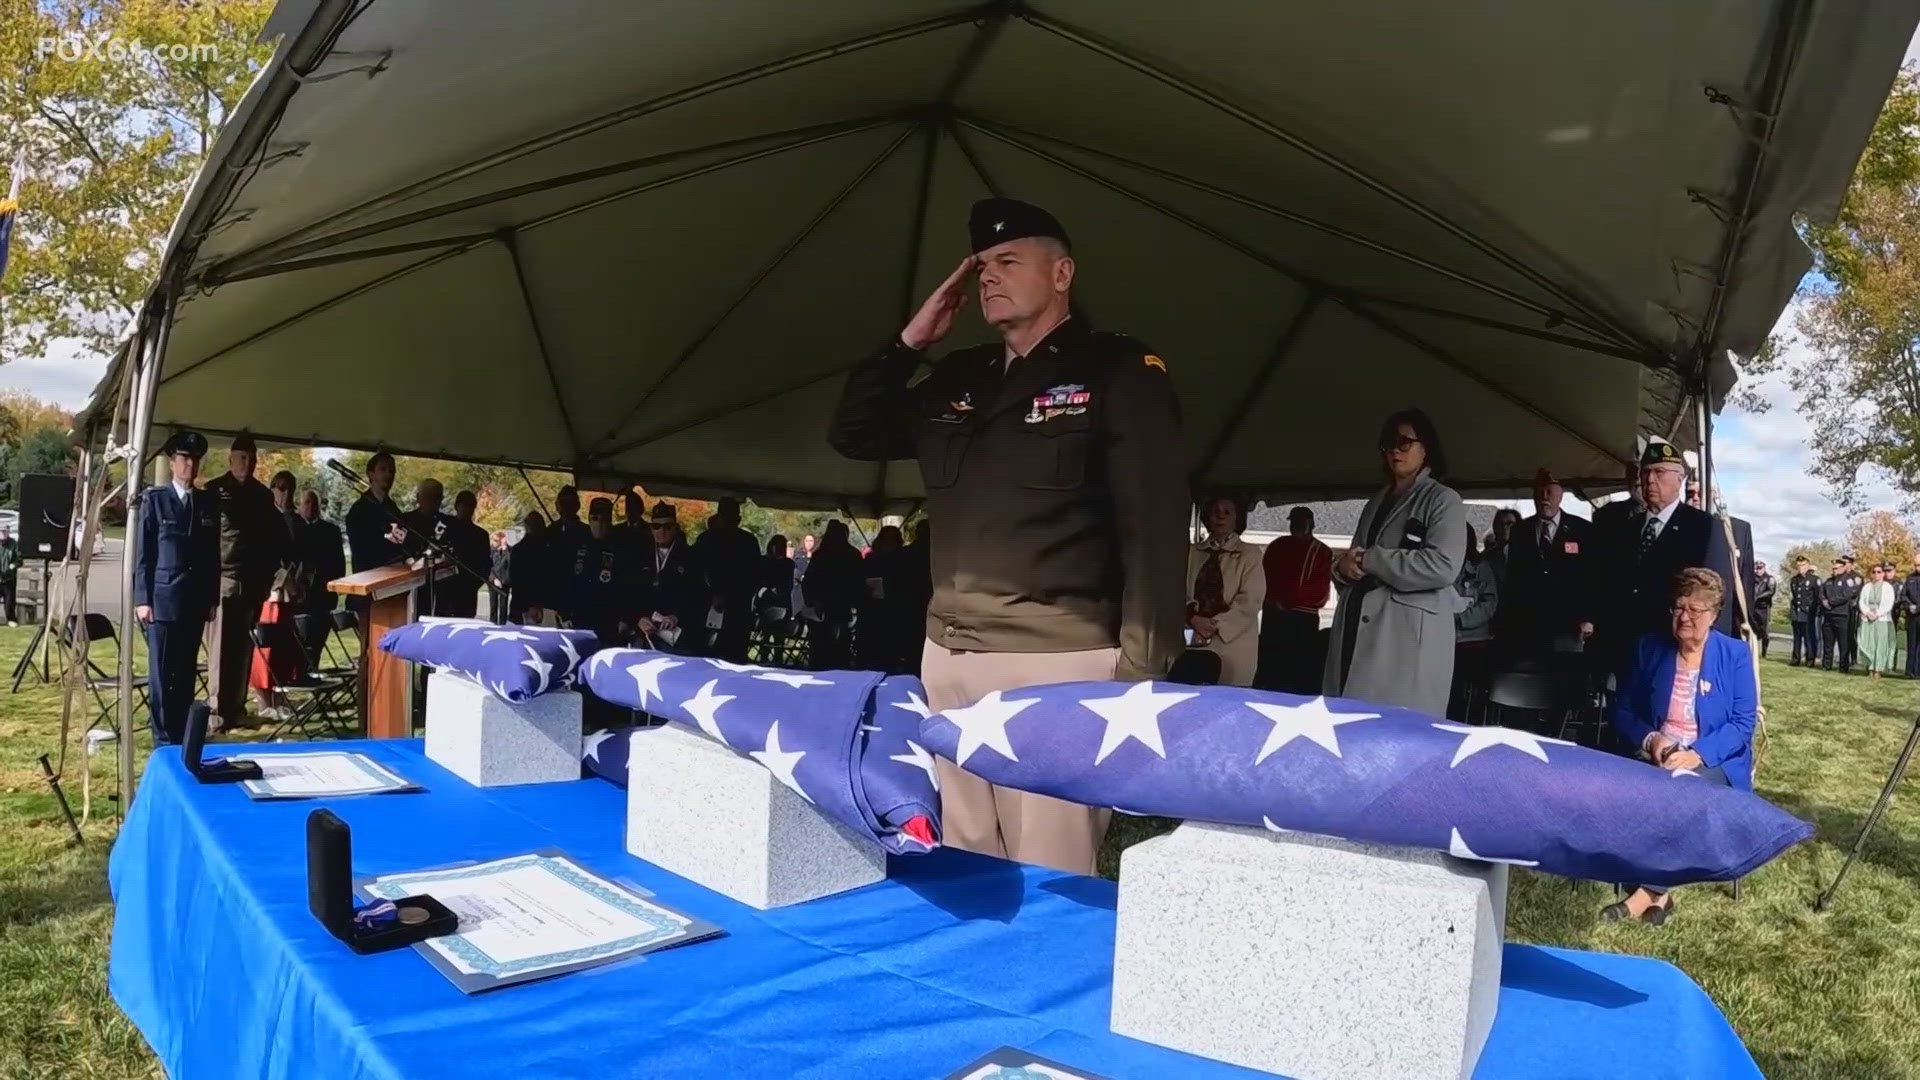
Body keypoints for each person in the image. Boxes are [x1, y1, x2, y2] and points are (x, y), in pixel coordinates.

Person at [829, 197, 1187, 874]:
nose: (988, 276)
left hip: (1057, 661)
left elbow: (1157, 528)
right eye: (982, 266)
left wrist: (1138, 674)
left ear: (1061, 275)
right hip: (949, 655)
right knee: (965, 864)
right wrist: (910, 344)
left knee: (1049, 871)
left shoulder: (1118, 372)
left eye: (1008, 261)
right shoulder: (959, 377)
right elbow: (855, 433)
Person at [1604, 567, 1757, 926]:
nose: (1684, 617)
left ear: (1714, 614)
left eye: (1695, 610)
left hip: (1715, 760)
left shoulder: (1734, 654)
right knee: (1637, 785)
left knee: (1681, 790)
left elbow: (1742, 724)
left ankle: (1646, 893)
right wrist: (1652, 739)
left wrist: (1699, 754)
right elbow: (1623, 711)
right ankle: (1662, 897)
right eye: (1678, 608)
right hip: (1658, 752)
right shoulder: (1650, 648)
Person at [1324, 408, 1466, 718]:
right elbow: (1354, 557)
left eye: (1404, 442)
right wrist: (1342, 569)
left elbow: (1443, 565)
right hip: (1357, 630)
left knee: (1397, 733)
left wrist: (1373, 559)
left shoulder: (1444, 500)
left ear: (1425, 447)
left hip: (1407, 641)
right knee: (1349, 724)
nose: (1394, 451)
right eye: (1388, 444)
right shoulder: (1376, 501)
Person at [1589, 437, 1711, 681]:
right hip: (1622, 650)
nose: (1650, 480)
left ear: (1680, 478)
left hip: (1669, 648)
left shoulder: (1702, 528)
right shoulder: (1625, 528)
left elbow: (1707, 592)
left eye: (1659, 472)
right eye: (1645, 473)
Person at [134, 431, 219, 745]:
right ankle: (162, 736)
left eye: (194, 459)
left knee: (185, 671)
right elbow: (144, 554)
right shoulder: (156, 501)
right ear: (172, 463)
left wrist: (211, 599)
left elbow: (212, 556)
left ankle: (183, 733)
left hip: (194, 601)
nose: (190, 465)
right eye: (184, 458)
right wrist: (142, 598)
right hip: (164, 599)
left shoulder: (206, 502)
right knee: (162, 673)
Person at [202, 433, 284, 729]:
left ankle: (236, 708)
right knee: (220, 650)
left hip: (251, 583)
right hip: (222, 580)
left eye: (251, 458)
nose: (246, 464)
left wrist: (267, 580)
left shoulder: (262, 496)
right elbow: (204, 541)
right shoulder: (213, 492)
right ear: (231, 459)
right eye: (241, 457)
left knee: (242, 650)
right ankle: (216, 711)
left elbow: (274, 541)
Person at [1497, 468, 1592, 661]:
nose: (1544, 497)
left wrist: (1588, 616)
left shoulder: (1582, 530)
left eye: (1549, 491)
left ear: (1561, 494)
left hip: (1569, 623)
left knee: (1565, 679)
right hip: (1530, 623)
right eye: (1539, 492)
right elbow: (1514, 577)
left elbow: (1592, 577)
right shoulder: (1521, 530)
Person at [1186, 495, 1266, 687]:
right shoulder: (1191, 553)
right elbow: (1179, 590)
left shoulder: (1250, 554)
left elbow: (1251, 599)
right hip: (1193, 637)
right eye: (1216, 512)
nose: (1220, 517)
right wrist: (1194, 619)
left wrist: (1215, 626)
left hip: (1234, 642)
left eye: (1227, 512)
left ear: (1237, 518)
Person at [1256, 506, 1332, 694]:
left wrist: (1289, 601)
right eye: (1294, 521)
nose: (1297, 526)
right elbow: (1263, 578)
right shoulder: (1277, 545)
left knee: (1298, 672)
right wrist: (1273, 601)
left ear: (1312, 523)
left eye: (1302, 521)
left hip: (1301, 618)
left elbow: (1320, 591)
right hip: (1273, 615)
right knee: (1270, 671)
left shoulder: (1321, 551)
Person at [692, 496, 763, 664]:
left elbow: (754, 576)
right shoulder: (706, 541)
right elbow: (694, 574)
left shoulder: (747, 542)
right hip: (707, 608)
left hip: (737, 609)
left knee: (732, 656)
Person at [637, 502, 706, 651]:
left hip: (677, 635)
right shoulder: (640, 555)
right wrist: (639, 617)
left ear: (675, 527)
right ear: (651, 528)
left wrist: (676, 616)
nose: (662, 531)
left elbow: (699, 596)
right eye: (656, 526)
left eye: (667, 526)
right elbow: (630, 592)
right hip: (644, 632)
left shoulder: (690, 557)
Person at [1448, 528, 1500, 721]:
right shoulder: (1440, 564)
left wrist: (1461, 619)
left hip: (1473, 642)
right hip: (1441, 641)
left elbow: (1490, 604)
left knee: (1470, 694)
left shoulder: (1481, 567)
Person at [800, 520, 865, 668]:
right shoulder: (852, 555)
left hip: (822, 608)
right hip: (841, 607)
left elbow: (808, 582)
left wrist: (812, 601)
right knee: (839, 649)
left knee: (820, 650)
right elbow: (859, 582)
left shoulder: (820, 555)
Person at [248, 567, 309, 719]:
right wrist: (279, 581)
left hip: (288, 587)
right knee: (265, 649)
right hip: (272, 589)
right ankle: (265, 704)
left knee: (283, 649)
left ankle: (279, 700)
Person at [294, 490, 345, 668]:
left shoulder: (331, 531)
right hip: (299, 598)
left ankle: (312, 669)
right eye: (306, 502)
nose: (310, 507)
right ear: (299, 505)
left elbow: (339, 566)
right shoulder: (293, 528)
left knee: (316, 643)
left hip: (323, 597)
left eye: (314, 503)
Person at [344, 451, 406, 574]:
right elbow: (361, 550)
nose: (388, 474)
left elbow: (401, 542)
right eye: (383, 469)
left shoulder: (393, 509)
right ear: (371, 474)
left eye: (391, 471)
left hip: (393, 577)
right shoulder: (359, 510)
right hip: (369, 578)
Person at [438, 490, 491, 619]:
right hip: (444, 589)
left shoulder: (481, 535)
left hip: (468, 591)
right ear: (457, 506)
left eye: (470, 506)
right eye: (464, 505)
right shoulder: (444, 527)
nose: (467, 509)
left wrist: (473, 585)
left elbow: (485, 565)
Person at [508, 511, 549, 624]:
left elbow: (515, 580)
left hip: (520, 605)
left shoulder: (518, 549)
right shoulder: (544, 549)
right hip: (533, 605)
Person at [1858, 563, 1898, 679]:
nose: (1876, 574)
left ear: (1883, 574)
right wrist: (1867, 613)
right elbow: (1862, 602)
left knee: (1880, 645)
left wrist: (1878, 614)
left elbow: (1888, 604)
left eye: (1879, 572)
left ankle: (1878, 669)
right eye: (1874, 572)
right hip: (1867, 619)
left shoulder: (1888, 587)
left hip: (1882, 620)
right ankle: (1869, 667)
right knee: (1868, 643)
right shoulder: (1867, 587)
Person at [1819, 558, 1853, 672]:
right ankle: (1826, 665)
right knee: (1828, 642)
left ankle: (1843, 667)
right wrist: (1824, 601)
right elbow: (1821, 593)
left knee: (1843, 643)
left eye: (1837, 568)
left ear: (1843, 568)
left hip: (1841, 615)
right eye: (1833, 568)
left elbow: (1845, 596)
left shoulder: (1847, 581)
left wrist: (1831, 602)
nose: (1834, 570)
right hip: (1828, 615)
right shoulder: (1828, 581)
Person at [1788, 555, 1820, 667]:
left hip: (1808, 613)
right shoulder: (1794, 580)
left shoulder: (1814, 580)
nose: (1801, 568)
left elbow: (1817, 597)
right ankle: (1795, 658)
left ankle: (1810, 659)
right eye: (1799, 565)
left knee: (1808, 637)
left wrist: (1815, 611)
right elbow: (1795, 596)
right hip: (1797, 612)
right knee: (1797, 637)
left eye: (1803, 565)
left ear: (1808, 565)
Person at [1483, 507, 1523, 589]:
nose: (1504, 527)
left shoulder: (1529, 555)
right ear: (1495, 527)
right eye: (1500, 524)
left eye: (1509, 523)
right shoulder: (1486, 558)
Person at [1839, 554, 1866, 672]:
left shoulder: (1856, 577)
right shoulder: (1840, 577)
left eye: (1846, 563)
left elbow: (1856, 592)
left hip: (1852, 609)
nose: (1844, 565)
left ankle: (1853, 658)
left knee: (1851, 634)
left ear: (1850, 564)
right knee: (1843, 634)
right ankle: (1844, 658)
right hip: (1841, 609)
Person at [1750, 560, 1775, 659]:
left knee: (1764, 630)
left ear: (1764, 568)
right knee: (1753, 628)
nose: (1758, 570)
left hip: (1764, 607)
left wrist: (1758, 597)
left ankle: (1764, 652)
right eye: (1757, 568)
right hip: (1753, 607)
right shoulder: (1752, 578)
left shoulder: (1769, 579)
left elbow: (1770, 591)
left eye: (1760, 568)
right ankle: (1753, 650)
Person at [489, 531, 513, 623]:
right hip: (493, 580)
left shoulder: (508, 551)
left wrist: (505, 549)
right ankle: (493, 622)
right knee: (493, 605)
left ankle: (503, 623)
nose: (494, 542)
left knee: (503, 605)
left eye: (496, 540)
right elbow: (488, 566)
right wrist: (494, 578)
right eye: (493, 540)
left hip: (504, 581)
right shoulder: (491, 551)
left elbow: (510, 563)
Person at [1903, 558, 1920, 678]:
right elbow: (1903, 595)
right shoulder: (1910, 578)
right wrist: (1909, 606)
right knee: (1911, 644)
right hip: (1912, 617)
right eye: (1915, 565)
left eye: (1919, 565)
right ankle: (1910, 671)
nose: (1917, 567)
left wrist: (1918, 608)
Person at [791, 533, 816, 613]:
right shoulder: (798, 555)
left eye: (811, 541)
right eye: (807, 541)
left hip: (812, 589)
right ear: (804, 542)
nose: (809, 543)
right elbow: (793, 569)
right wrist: (800, 576)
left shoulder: (817, 556)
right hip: (799, 588)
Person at [0, 525, 18, 625]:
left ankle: (11, 620)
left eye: (5, 531)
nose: (3, 533)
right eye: (1, 531)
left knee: (9, 602)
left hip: (9, 578)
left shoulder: (13, 543)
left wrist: (13, 565)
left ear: (8, 532)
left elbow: (19, 559)